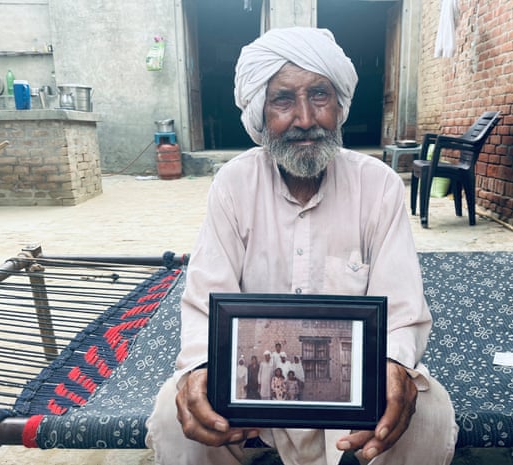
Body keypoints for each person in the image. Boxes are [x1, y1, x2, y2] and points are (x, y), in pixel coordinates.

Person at [146, 26, 458, 465]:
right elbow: (204, 298)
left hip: (354, 377)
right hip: (251, 378)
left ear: (339, 105)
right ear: (261, 111)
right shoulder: (234, 184)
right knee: (173, 417)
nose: (306, 119)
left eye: (319, 95)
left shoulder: (379, 186)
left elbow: (402, 309)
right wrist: (199, 367)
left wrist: (393, 365)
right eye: (284, 100)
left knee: (429, 416)